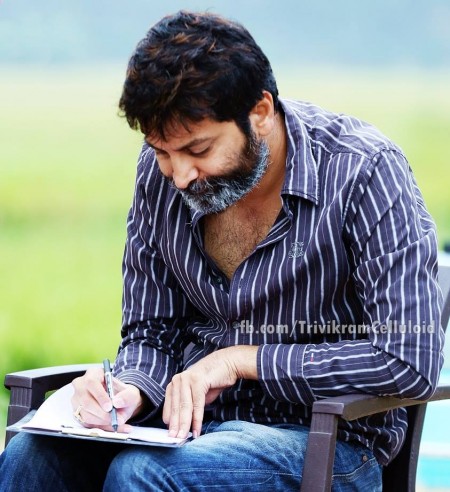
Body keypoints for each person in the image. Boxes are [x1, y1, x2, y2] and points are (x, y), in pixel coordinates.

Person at [0, 10, 445, 492]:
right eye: (162, 151)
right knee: (32, 456)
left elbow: (408, 358)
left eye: (199, 150)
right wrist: (128, 390)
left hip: (326, 441)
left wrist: (241, 360)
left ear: (260, 112)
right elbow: (152, 332)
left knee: (142, 473)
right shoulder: (161, 175)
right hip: (184, 429)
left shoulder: (365, 170)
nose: (179, 176)